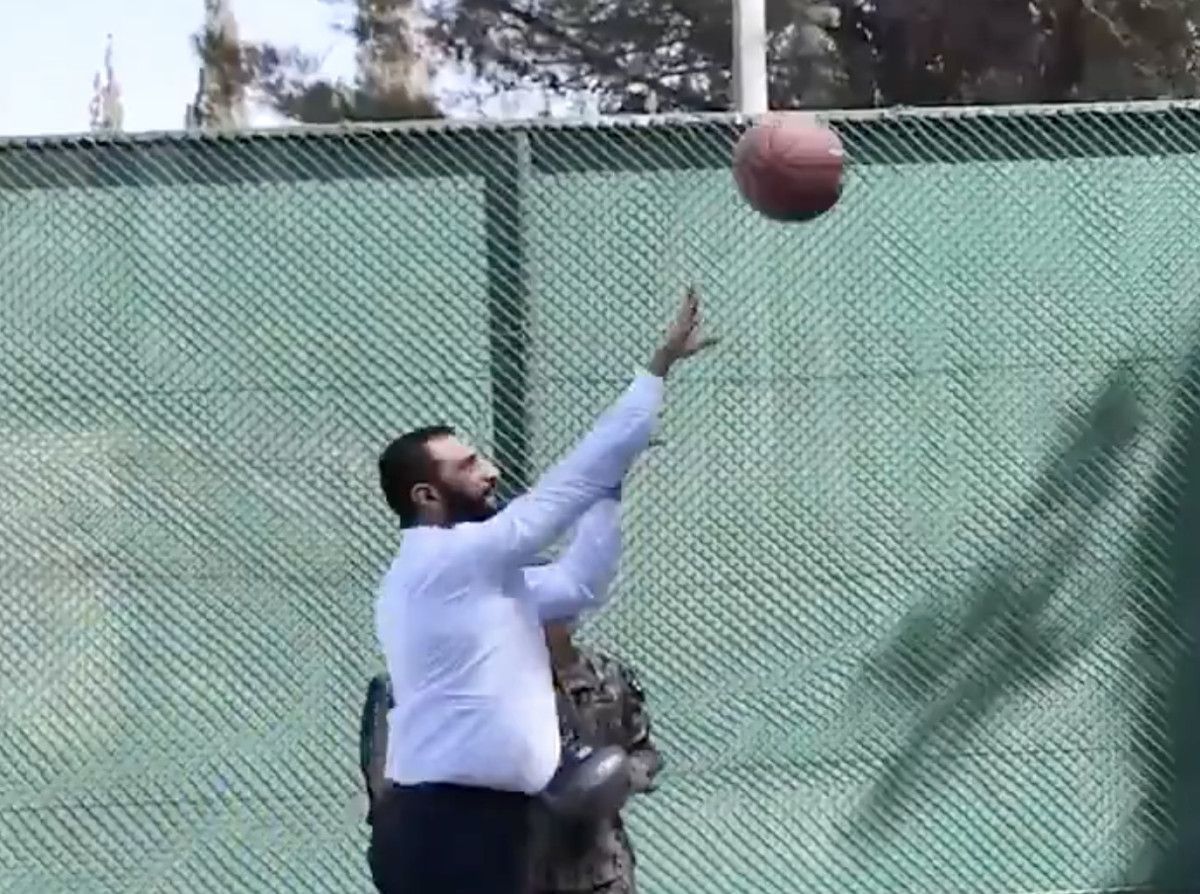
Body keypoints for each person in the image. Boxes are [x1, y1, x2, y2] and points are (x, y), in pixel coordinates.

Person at [369, 290, 714, 894]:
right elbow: (558, 497)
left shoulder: (474, 581)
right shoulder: (443, 562)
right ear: (426, 495)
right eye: (468, 466)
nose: (491, 471)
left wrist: (608, 491)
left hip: (490, 825)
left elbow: (579, 582)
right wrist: (653, 376)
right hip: (444, 826)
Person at [531, 620, 663, 894]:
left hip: (603, 868)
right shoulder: (503, 691)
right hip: (531, 866)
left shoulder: (606, 678)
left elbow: (645, 750)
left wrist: (625, 773)